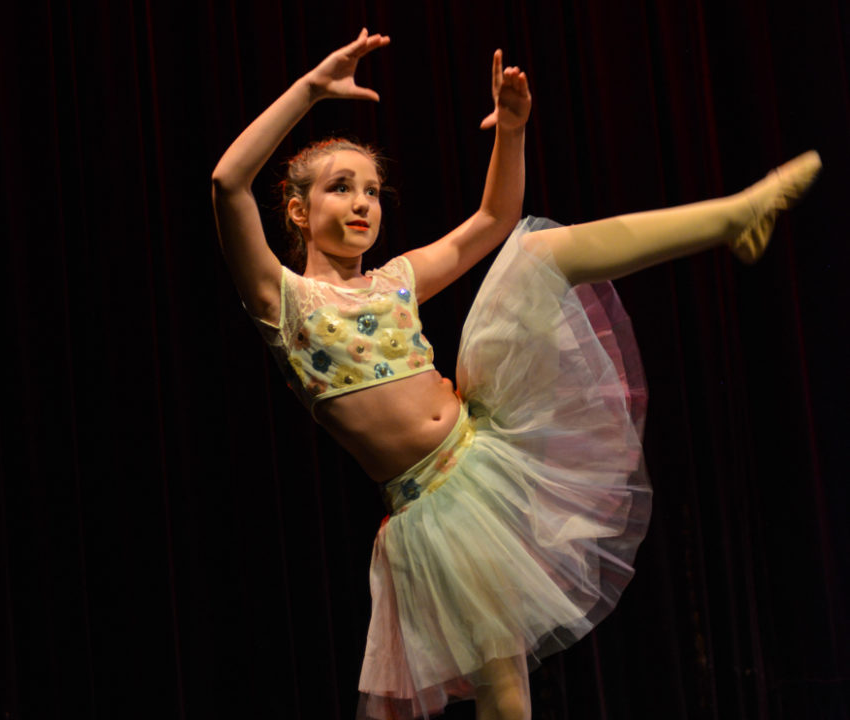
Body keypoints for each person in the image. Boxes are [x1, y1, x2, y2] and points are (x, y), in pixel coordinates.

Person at [211, 29, 821, 720]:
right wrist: (312, 89)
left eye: (373, 191)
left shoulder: (396, 280)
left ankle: (737, 214)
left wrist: (513, 131)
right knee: (502, 696)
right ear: (297, 210)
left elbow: (496, 216)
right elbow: (228, 181)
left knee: (537, 252)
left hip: (485, 442)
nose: (362, 203)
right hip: (435, 504)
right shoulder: (282, 302)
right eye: (341, 188)